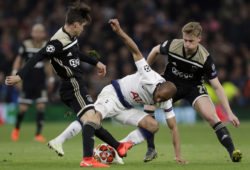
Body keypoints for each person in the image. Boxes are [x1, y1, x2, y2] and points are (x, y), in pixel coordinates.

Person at [5, 2, 132, 168]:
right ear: (75, 25)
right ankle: (87, 159)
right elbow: (39, 55)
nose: (83, 30)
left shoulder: (71, 37)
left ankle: (118, 146)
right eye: (83, 27)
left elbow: (76, 53)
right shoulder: (57, 42)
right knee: (91, 120)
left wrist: (96, 62)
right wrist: (19, 76)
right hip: (72, 84)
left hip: (74, 84)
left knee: (93, 121)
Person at [47, 18, 187, 164]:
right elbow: (135, 50)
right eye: (158, 97)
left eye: (161, 100)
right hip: (113, 95)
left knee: (153, 125)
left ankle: (117, 149)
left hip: (126, 108)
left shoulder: (166, 99)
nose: (158, 101)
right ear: (158, 87)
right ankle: (59, 140)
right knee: (93, 118)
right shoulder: (150, 77)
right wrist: (119, 31)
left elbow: (173, 127)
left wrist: (178, 155)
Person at [139, 22, 242, 162]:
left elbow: (217, 86)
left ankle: (232, 152)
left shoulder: (205, 58)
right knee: (148, 105)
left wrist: (229, 113)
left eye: (191, 41)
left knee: (212, 117)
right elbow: (155, 51)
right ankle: (151, 149)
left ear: (199, 39)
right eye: (185, 40)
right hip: (169, 84)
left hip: (193, 87)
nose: (187, 44)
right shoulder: (173, 45)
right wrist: (146, 72)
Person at [11, 24, 54, 142]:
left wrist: (51, 79)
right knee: (23, 109)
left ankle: (38, 134)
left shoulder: (47, 46)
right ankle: (16, 130)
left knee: (41, 106)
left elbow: (47, 64)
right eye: (36, 32)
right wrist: (15, 75)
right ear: (32, 33)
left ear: (44, 34)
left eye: (40, 32)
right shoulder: (25, 45)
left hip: (40, 82)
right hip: (27, 81)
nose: (38, 34)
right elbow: (18, 60)